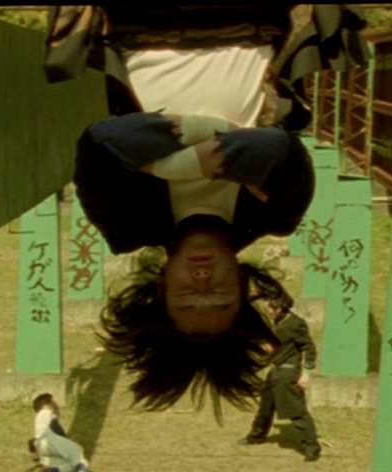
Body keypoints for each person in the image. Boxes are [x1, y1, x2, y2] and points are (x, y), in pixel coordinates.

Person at [45, 6, 368, 413]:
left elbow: (100, 141)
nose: (202, 280)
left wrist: (217, 154)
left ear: (162, 287)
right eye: (219, 296)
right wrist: (156, 160)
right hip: (250, 21)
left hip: (142, 24)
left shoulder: (124, 222)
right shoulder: (279, 213)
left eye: (186, 297)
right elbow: (278, 146)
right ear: (243, 286)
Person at [239, 285, 322, 461]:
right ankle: (257, 436)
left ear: (280, 308)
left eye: (271, 307)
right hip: (276, 370)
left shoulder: (296, 324)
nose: (268, 310)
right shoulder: (278, 321)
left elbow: (309, 348)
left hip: (288, 373)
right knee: (266, 407)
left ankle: (312, 448)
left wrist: (306, 373)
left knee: (296, 411)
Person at [30, 393, 104, 472]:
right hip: (48, 440)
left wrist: (34, 451)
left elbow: (36, 438)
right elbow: (54, 427)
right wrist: (69, 442)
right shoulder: (47, 412)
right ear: (48, 403)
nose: (57, 404)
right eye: (54, 401)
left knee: (72, 464)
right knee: (76, 449)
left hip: (41, 447)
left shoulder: (39, 418)